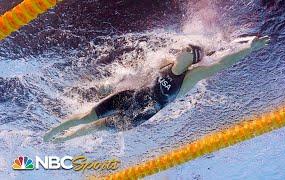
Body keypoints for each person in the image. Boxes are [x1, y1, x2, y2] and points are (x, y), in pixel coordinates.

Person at [44, 35, 270, 142]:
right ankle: (54, 132)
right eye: (183, 48)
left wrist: (249, 48)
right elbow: (139, 72)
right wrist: (112, 83)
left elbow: (221, 63)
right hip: (127, 99)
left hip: (138, 116)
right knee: (86, 117)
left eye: (187, 51)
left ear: (190, 59)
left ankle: (63, 140)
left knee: (93, 128)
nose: (181, 50)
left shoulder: (189, 79)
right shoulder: (164, 60)